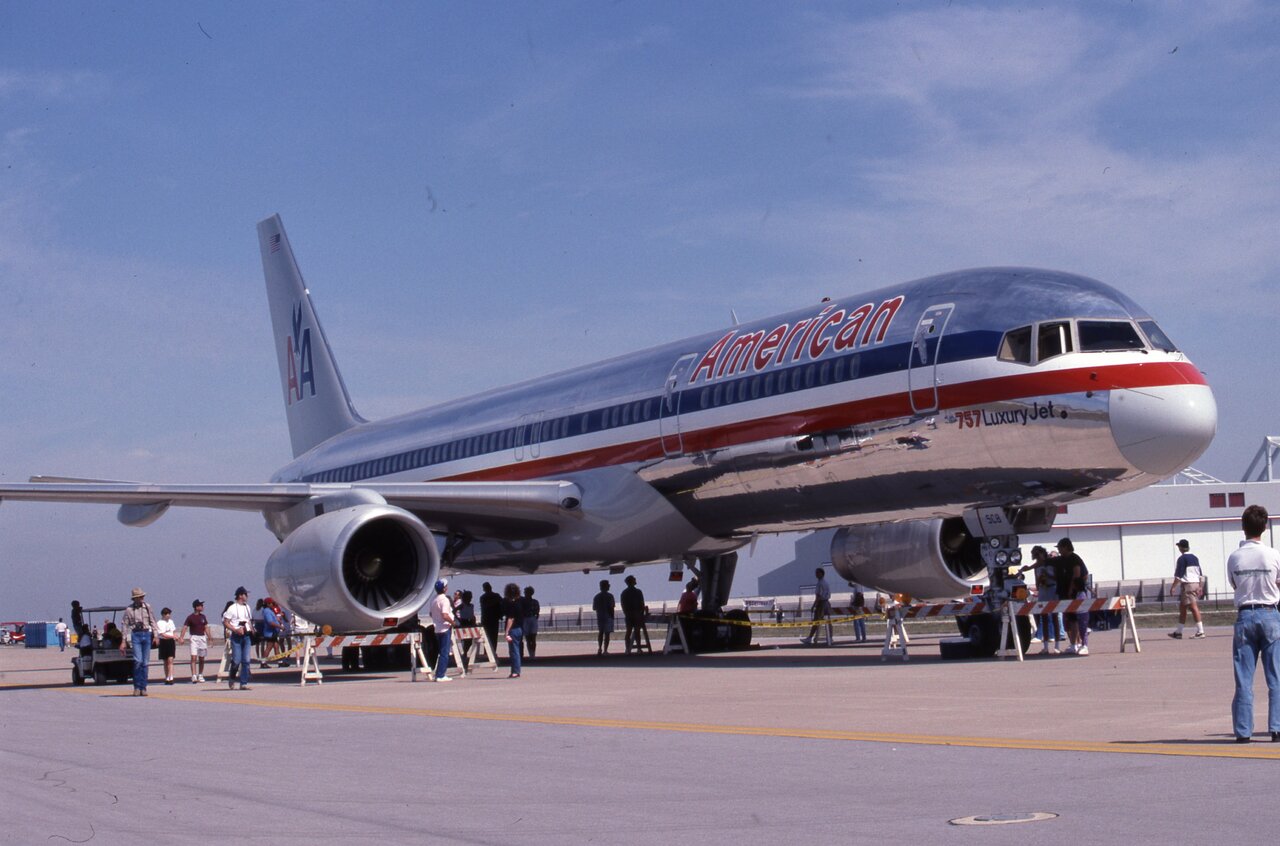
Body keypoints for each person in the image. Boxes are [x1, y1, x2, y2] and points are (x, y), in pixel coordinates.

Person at [1226, 504, 1280, 743]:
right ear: (1264, 527)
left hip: (1246, 615)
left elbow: (1234, 584)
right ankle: (1277, 728)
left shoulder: (1235, 557)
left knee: (1244, 678)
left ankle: (1243, 731)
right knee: (1276, 676)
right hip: (1270, 614)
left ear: (1243, 527)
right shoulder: (1273, 554)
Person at [1019, 546, 1061, 655]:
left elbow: (1057, 577)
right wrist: (1039, 580)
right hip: (1043, 589)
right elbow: (1037, 583)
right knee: (1044, 617)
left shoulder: (1051, 563)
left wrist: (1047, 575)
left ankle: (1057, 645)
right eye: (1035, 556)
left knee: (1055, 616)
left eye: (1038, 555)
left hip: (1052, 588)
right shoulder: (1037, 566)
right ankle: (1045, 646)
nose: (1037, 558)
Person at [120, 586, 158, 696]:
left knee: (145, 663)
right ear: (135, 598)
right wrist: (123, 640)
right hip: (136, 634)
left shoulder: (147, 607)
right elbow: (124, 625)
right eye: (139, 597)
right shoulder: (129, 610)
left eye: (142, 596)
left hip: (146, 634)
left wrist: (156, 635)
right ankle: (137, 687)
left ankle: (143, 687)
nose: (142, 598)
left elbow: (153, 621)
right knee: (138, 661)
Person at [1056, 538, 1090, 656]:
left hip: (1078, 593)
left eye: (1060, 547)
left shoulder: (1074, 558)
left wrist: (1072, 588)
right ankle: (1073, 644)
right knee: (1071, 620)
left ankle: (1084, 645)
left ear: (1066, 547)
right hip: (1068, 595)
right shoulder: (1063, 560)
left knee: (1082, 619)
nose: (1059, 550)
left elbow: (1078, 574)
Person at [1169, 539, 1205, 639]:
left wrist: (1173, 587)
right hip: (1196, 583)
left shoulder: (1182, 559)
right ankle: (1178, 632)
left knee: (1193, 607)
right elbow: (1200, 573)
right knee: (1183, 607)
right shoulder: (1195, 558)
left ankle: (1200, 631)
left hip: (1188, 585)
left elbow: (1178, 576)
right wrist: (1200, 586)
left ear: (1181, 548)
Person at [223, 586, 254, 690]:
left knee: (246, 660)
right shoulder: (232, 608)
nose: (247, 596)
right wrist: (235, 630)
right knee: (236, 660)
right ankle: (232, 677)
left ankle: (243, 683)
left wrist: (252, 630)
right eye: (245, 594)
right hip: (236, 636)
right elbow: (226, 622)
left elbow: (249, 620)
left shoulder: (247, 607)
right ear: (240, 595)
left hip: (246, 636)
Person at [427, 578, 455, 682]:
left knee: (441, 651)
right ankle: (440, 675)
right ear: (444, 589)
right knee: (445, 652)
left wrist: (436, 619)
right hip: (445, 628)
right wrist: (453, 622)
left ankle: (438, 673)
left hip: (437, 628)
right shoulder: (444, 600)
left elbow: (431, 613)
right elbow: (445, 615)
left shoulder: (434, 599)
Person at [180, 599, 210, 683]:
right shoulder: (190, 617)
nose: (202, 607)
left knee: (202, 658)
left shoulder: (203, 617)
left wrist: (210, 637)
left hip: (202, 638)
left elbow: (206, 627)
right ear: (196, 607)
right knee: (193, 657)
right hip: (194, 638)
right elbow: (185, 627)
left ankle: (200, 674)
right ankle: (193, 675)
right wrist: (181, 637)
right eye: (201, 605)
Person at [800, 568, 831, 645]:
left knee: (816, 621)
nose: (816, 574)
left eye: (817, 573)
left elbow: (818, 596)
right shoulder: (826, 583)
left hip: (821, 603)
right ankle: (830, 637)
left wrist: (814, 605)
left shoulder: (820, 583)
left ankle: (810, 638)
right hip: (826, 602)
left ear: (821, 574)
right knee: (828, 621)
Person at [502, 583, 524, 678]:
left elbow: (510, 619)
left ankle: (515, 671)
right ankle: (515, 670)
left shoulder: (512, 604)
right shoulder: (520, 603)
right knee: (516, 649)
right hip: (519, 628)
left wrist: (507, 631)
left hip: (513, 629)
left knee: (514, 651)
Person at [620, 576, 646, 654]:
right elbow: (642, 603)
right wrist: (641, 613)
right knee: (637, 632)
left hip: (628, 614)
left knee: (628, 631)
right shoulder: (638, 592)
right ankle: (638, 648)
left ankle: (627, 649)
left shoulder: (624, 593)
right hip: (637, 614)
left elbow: (623, 604)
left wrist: (626, 613)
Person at [593, 579, 616, 655]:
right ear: (606, 586)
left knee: (601, 632)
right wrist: (612, 616)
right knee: (607, 634)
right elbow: (612, 607)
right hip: (608, 616)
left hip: (600, 616)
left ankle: (599, 648)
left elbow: (594, 608)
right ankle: (605, 650)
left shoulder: (596, 596)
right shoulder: (610, 596)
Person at [156, 607, 178, 684]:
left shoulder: (171, 622)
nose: (168, 615)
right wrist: (172, 636)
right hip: (163, 642)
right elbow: (162, 634)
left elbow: (173, 631)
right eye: (166, 614)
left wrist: (175, 637)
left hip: (171, 642)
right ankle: (167, 677)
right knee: (165, 661)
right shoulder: (159, 623)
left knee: (170, 659)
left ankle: (171, 676)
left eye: (169, 614)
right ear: (163, 615)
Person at [479, 582, 502, 655]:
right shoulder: (495, 596)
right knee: (490, 637)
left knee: (489, 637)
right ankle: (490, 652)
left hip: (489, 619)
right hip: (491, 619)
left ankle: (489, 652)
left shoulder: (484, 597)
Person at [259, 598, 282, 668]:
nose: (273, 604)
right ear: (268, 604)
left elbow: (273, 619)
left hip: (274, 632)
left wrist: (277, 620)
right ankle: (263, 662)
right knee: (269, 647)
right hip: (270, 633)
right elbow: (270, 622)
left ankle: (280, 662)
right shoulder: (267, 611)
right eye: (272, 603)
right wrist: (280, 626)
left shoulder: (270, 611)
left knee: (276, 646)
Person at [521, 586, 541, 660]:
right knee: (528, 638)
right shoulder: (522, 601)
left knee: (533, 638)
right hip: (525, 619)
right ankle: (531, 654)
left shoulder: (535, 602)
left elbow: (537, 612)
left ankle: (533, 654)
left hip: (532, 618)